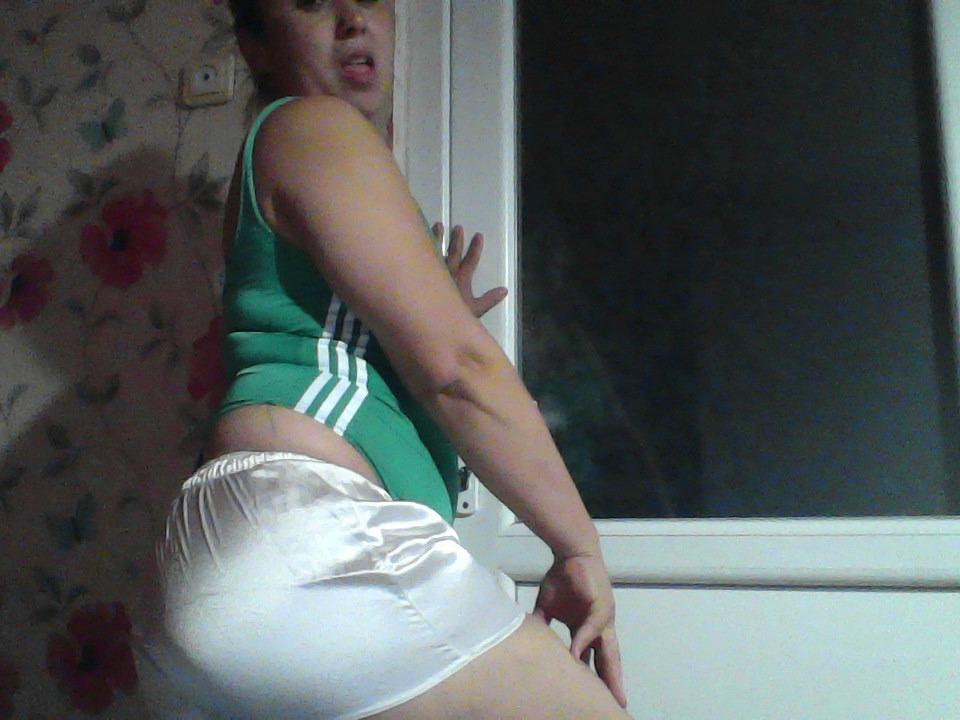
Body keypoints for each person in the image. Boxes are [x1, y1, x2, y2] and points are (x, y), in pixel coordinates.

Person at [139, 1, 631, 718]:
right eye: (313, 1)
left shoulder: (284, 162)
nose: (352, 18)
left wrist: (434, 306)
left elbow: (334, 347)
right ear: (255, 42)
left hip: (223, 567)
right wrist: (579, 547)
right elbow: (459, 371)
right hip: (306, 543)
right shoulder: (313, 125)